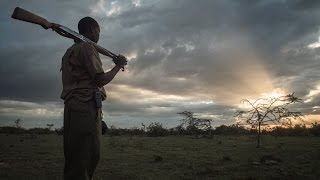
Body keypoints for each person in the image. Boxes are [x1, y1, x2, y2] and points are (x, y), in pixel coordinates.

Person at [60, 17, 127, 180]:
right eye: (98, 31)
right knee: (85, 157)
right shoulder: (87, 47)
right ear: (92, 30)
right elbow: (100, 79)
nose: (99, 35)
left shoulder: (70, 51)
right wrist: (118, 65)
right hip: (84, 107)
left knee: (74, 156)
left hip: (74, 107)